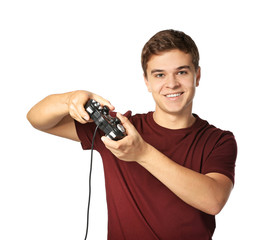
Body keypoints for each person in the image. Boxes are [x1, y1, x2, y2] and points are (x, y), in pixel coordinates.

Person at [27, 29, 237, 240]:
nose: (171, 83)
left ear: (197, 76)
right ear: (146, 81)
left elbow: (214, 200)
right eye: (159, 75)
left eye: (182, 72)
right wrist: (69, 99)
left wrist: (142, 153)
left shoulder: (218, 140)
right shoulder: (122, 128)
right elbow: (37, 119)